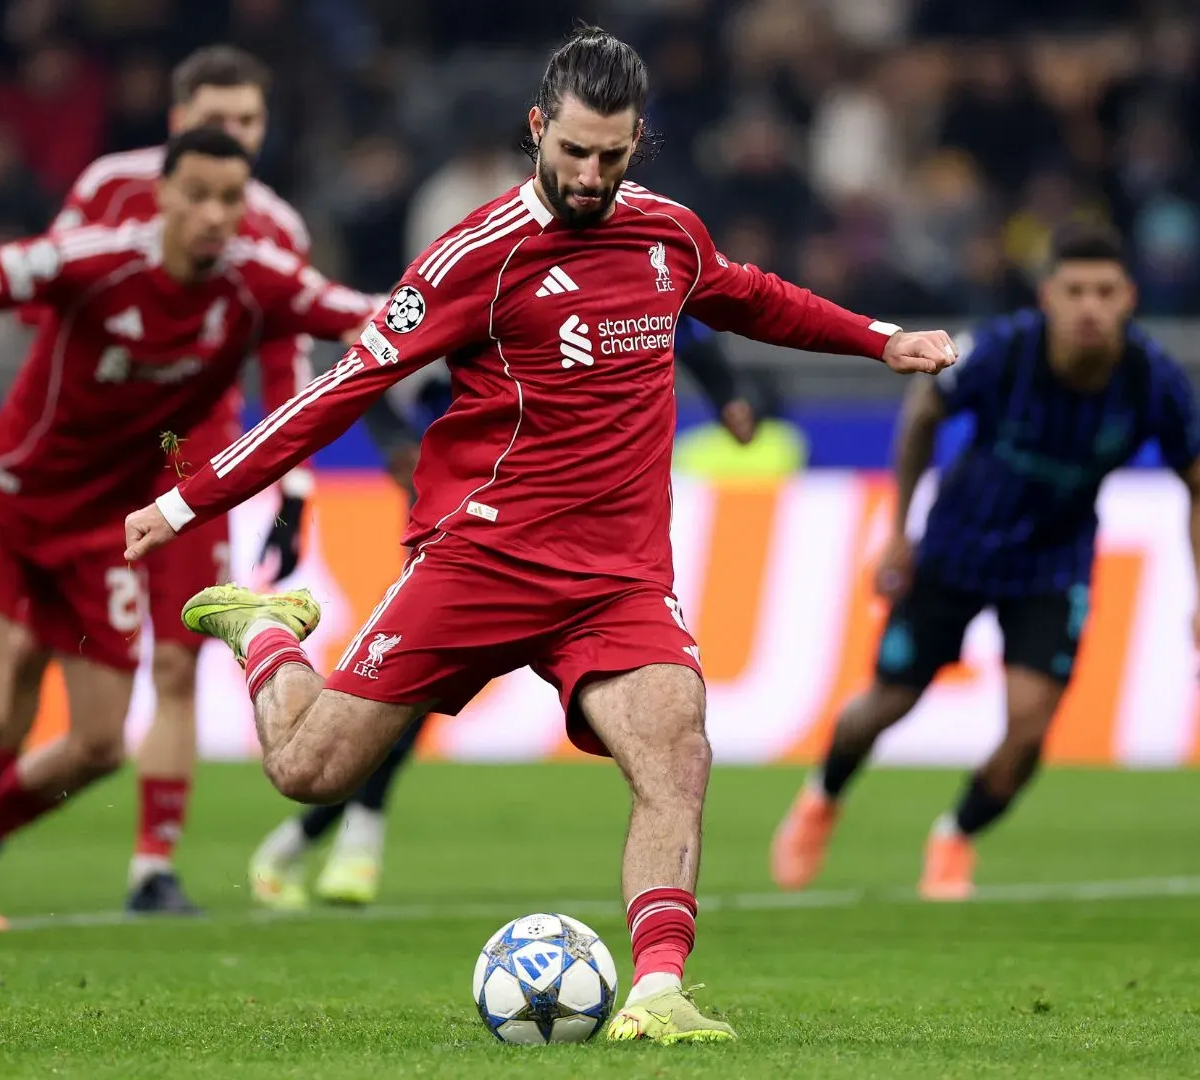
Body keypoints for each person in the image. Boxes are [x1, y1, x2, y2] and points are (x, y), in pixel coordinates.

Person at [120, 28, 955, 1042]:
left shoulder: (668, 235)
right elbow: (344, 390)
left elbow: (747, 296)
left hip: (617, 579)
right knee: (306, 770)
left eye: (611, 155)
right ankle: (263, 631)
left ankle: (656, 990)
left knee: (674, 750)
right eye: (573, 153)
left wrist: (879, 341)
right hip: (481, 558)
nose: (591, 175)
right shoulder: (475, 256)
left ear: (637, 141)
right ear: (537, 131)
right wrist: (186, 499)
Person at [0, 127, 377, 931]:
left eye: (229, 199)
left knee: (97, 746)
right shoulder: (97, 259)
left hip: (103, 530)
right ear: (161, 194)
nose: (212, 215)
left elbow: (374, 317)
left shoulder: (255, 280)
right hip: (7, 499)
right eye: (195, 195)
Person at [0, 45, 317, 916]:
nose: (233, 135)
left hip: (192, 456)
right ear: (178, 126)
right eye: (216, 121)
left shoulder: (277, 230)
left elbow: (288, 362)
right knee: (21, 658)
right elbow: (48, 295)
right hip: (93, 455)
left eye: (247, 123)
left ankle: (151, 867)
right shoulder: (111, 189)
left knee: (177, 661)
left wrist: (294, 486)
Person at [769, 222, 1200, 901]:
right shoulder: (1004, 350)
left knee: (1031, 727)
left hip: (1052, 566)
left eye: (1105, 291)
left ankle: (954, 836)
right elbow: (924, 412)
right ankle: (822, 796)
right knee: (886, 702)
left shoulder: (1151, 381)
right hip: (956, 548)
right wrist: (899, 531)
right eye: (1076, 292)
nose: (1090, 307)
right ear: (1049, 297)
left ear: (1129, 297)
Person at [248, 316, 758, 909]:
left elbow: (684, 320)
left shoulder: (616, 267)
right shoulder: (472, 276)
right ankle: (345, 832)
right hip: (462, 513)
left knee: (414, 700)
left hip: (565, 519)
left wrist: (726, 394)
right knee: (399, 696)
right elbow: (367, 364)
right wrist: (394, 444)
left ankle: (333, 837)